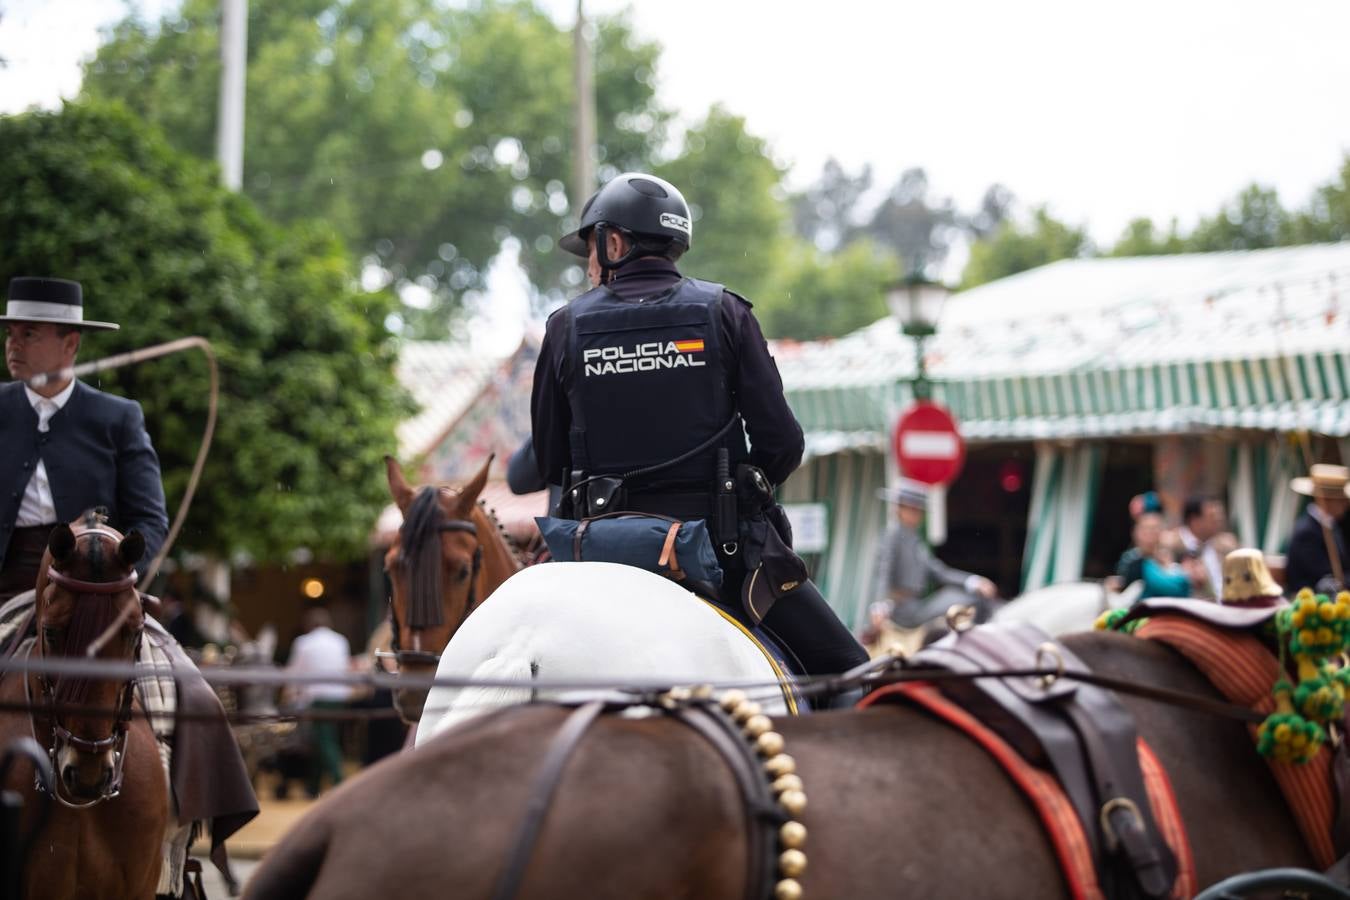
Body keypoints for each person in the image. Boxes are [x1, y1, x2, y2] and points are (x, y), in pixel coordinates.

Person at [530, 172, 868, 686]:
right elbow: (783, 443)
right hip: (724, 554)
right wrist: (740, 485)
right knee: (852, 674)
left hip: (597, 555)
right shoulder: (724, 312)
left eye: (593, 250)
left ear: (614, 242)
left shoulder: (564, 326)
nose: (591, 266)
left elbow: (549, 458)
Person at [1, 276, 168, 601]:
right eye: (10, 334)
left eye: (29, 334)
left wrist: (114, 565)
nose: (13, 344)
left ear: (71, 344)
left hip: (92, 591)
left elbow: (150, 520)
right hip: (2, 588)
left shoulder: (118, 418)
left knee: (166, 652)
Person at [873, 480, 998, 628]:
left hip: (917, 604)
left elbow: (940, 572)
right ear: (899, 509)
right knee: (957, 599)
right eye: (911, 508)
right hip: (902, 610)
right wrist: (880, 604)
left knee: (970, 597)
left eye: (919, 509)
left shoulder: (915, 539)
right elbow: (883, 571)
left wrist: (973, 581)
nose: (916, 514)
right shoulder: (892, 535)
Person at [284, 606, 352, 798]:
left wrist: (289, 695)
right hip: (339, 697)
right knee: (322, 740)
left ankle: (339, 782)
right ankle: (312, 787)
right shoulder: (341, 640)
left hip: (318, 697)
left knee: (324, 741)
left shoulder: (304, 643)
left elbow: (295, 673)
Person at [1285, 464, 1350, 595]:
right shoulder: (1307, 533)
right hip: (1312, 606)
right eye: (1341, 500)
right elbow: (1329, 579)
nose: (1346, 505)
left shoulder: (1331, 527)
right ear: (1325, 500)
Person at [1178, 495, 1228, 598]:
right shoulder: (1171, 546)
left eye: (1219, 516)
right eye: (1212, 517)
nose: (1218, 521)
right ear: (1195, 521)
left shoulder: (1223, 546)